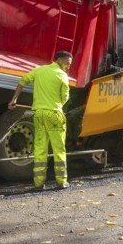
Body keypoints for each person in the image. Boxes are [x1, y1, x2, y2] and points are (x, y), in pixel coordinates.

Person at [8, 51, 73, 190]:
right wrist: (56, 104)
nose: (68, 67)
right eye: (67, 63)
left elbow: (22, 81)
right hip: (55, 114)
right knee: (58, 148)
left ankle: (39, 183)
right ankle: (61, 182)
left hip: (39, 114)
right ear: (59, 60)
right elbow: (65, 97)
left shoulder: (39, 70)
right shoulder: (62, 75)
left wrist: (14, 99)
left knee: (40, 149)